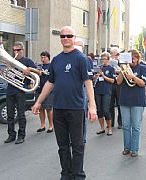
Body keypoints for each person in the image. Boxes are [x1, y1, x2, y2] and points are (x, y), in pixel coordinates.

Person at [32, 26, 97, 180]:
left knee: (77, 145)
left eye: (69, 36)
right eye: (63, 36)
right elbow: (50, 83)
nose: (66, 38)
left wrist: (92, 106)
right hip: (59, 109)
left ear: (74, 37)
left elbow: (88, 83)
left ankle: (78, 175)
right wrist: (38, 102)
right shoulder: (57, 60)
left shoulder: (81, 58)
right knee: (62, 146)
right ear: (60, 39)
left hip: (75, 108)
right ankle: (66, 174)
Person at [4, 41, 37, 144]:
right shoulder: (11, 61)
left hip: (20, 90)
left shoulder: (27, 61)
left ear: (22, 50)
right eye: (14, 50)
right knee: (10, 114)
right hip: (10, 90)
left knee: (21, 115)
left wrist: (30, 69)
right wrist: (6, 71)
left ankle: (21, 135)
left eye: (18, 50)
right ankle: (11, 135)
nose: (16, 52)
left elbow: (39, 72)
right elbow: (6, 73)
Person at [117, 49, 146, 157]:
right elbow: (119, 81)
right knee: (125, 126)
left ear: (138, 58)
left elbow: (143, 84)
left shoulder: (142, 68)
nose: (132, 61)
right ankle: (127, 147)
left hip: (137, 100)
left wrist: (133, 77)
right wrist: (122, 70)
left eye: (134, 58)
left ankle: (134, 149)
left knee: (136, 126)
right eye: (130, 58)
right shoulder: (124, 68)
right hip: (124, 99)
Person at [94, 52, 115, 136]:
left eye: (104, 59)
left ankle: (109, 128)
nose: (103, 61)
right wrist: (96, 77)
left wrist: (103, 76)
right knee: (99, 110)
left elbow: (112, 80)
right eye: (102, 59)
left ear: (108, 60)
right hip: (98, 90)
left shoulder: (111, 69)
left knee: (106, 110)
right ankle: (102, 128)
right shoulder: (98, 68)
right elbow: (93, 79)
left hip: (106, 91)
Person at [36, 51, 54, 133]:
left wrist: (44, 73)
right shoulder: (39, 66)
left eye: (44, 57)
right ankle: (42, 125)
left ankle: (51, 126)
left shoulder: (51, 66)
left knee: (48, 108)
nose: (43, 59)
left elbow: (52, 76)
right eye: (42, 57)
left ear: (48, 58)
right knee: (41, 108)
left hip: (49, 91)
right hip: (39, 89)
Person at [109, 47, 122, 129]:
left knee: (119, 103)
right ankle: (111, 122)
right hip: (111, 83)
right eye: (115, 54)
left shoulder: (121, 61)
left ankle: (120, 122)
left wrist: (119, 70)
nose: (117, 55)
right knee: (110, 105)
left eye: (118, 54)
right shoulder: (108, 61)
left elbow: (124, 70)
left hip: (119, 84)